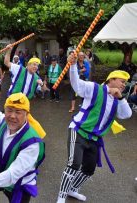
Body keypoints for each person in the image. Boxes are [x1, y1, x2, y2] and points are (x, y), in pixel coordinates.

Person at [56, 53, 132, 203]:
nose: (124, 85)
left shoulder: (118, 101)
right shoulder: (94, 88)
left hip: (94, 138)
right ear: (111, 80)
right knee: (74, 164)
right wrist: (72, 66)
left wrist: (121, 98)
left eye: (125, 83)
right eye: (122, 81)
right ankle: (62, 196)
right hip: (78, 131)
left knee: (89, 169)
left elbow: (127, 115)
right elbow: (76, 84)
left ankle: (73, 189)